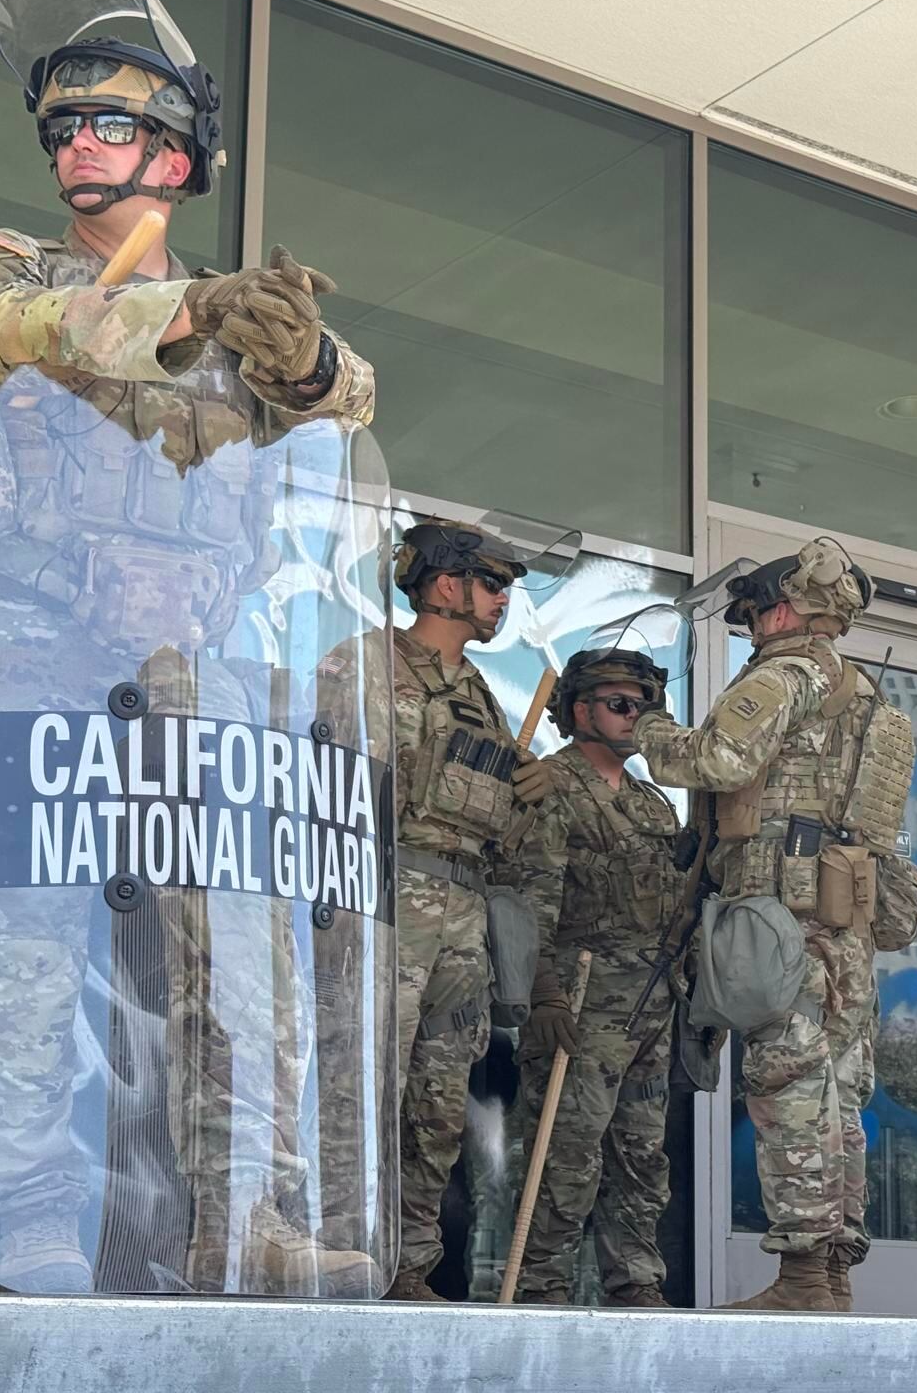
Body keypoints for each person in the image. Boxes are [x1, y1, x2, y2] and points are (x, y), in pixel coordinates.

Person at [0, 0, 373, 1293]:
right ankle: (29, 1224)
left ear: (174, 156)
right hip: (33, 648)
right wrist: (187, 311)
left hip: (191, 673)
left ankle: (246, 1221)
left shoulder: (229, 318)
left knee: (238, 952)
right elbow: (0, 337)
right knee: (23, 946)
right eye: (60, 125)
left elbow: (352, 402)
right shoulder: (3, 267)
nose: (73, 147)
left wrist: (306, 356)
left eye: (108, 123)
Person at [629, 539, 917, 1313]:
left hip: (783, 921)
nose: (751, 628)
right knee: (838, 1098)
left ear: (785, 608)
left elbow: (720, 759)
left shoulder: (786, 674)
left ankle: (800, 1280)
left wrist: (652, 733)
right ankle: (831, 1276)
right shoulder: (864, 697)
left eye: (754, 613)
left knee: (789, 1087)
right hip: (842, 921)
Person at [323, 517, 541, 1300]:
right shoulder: (367, 665)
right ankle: (347, 1257)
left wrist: (525, 797)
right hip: (384, 904)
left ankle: (408, 1263)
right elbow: (326, 791)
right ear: (445, 584)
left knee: (440, 1102)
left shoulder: (481, 696)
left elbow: (495, 827)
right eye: (491, 584)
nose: (501, 602)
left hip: (460, 913)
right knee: (361, 1091)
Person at [508, 648, 684, 1307]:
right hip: (581, 999)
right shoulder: (550, 787)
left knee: (642, 1157)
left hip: (648, 1004)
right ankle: (541, 1288)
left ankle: (636, 1284)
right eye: (619, 703)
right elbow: (530, 894)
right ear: (579, 711)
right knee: (566, 1155)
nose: (635, 716)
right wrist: (544, 990)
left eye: (644, 706)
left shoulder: (654, 805)